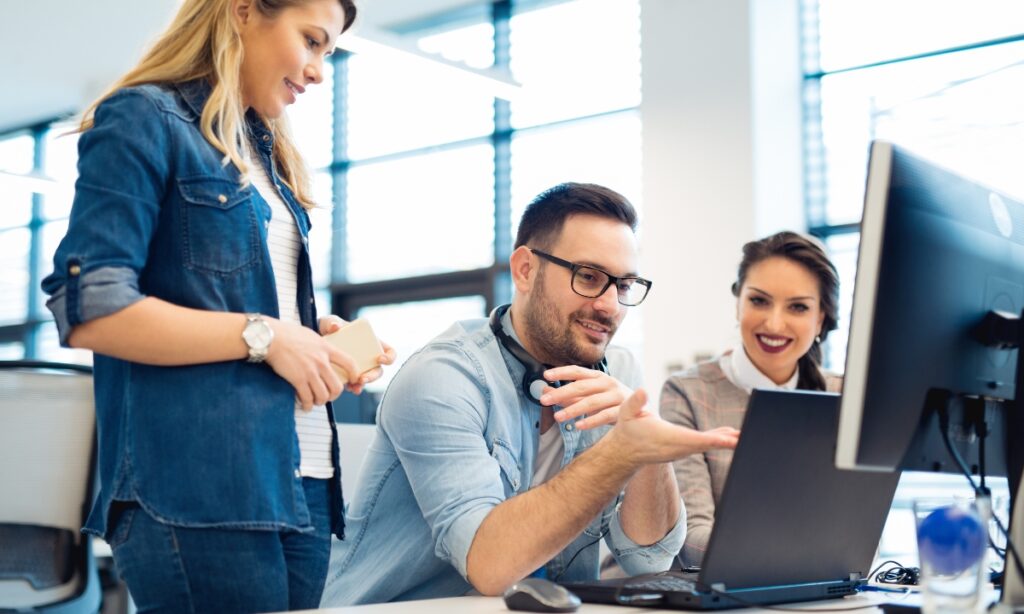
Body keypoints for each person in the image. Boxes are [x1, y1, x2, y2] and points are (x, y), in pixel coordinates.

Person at [40, 1, 395, 611]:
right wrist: (267, 336)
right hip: (200, 485)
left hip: (303, 482)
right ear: (242, 12)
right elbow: (92, 308)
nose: (317, 71)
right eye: (310, 41)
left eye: (327, 53)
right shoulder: (143, 118)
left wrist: (311, 337)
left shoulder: (270, 158)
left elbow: (237, 307)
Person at [320, 182, 739, 605]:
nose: (611, 306)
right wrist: (620, 453)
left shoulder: (619, 370)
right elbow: (490, 565)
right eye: (589, 277)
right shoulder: (443, 377)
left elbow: (649, 560)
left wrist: (650, 452)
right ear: (525, 270)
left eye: (624, 286)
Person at [660, 230, 841, 567]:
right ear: (738, 302)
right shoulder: (688, 393)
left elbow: (859, 538)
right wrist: (801, 552)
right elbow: (689, 540)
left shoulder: (843, 397)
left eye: (798, 307)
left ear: (821, 320)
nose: (774, 323)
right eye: (759, 300)